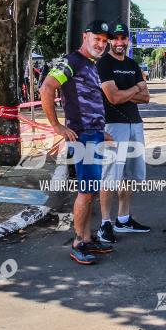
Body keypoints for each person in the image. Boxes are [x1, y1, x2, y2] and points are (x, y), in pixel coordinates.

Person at [40, 20, 117, 265]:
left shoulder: (90, 65)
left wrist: (100, 131)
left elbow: (90, 102)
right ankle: (78, 242)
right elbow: (47, 88)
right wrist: (57, 126)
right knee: (85, 191)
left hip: (93, 135)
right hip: (82, 137)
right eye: (97, 39)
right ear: (85, 36)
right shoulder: (71, 61)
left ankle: (86, 236)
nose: (101, 44)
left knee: (92, 189)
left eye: (105, 41)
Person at [96, 22, 151, 244]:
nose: (119, 43)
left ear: (128, 40)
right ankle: (105, 224)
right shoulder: (104, 64)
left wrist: (129, 91)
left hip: (135, 124)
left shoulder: (132, 63)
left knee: (128, 175)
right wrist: (136, 89)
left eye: (123, 38)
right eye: (115, 38)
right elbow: (113, 98)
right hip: (113, 125)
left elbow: (146, 97)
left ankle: (124, 219)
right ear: (110, 40)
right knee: (110, 175)